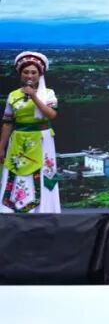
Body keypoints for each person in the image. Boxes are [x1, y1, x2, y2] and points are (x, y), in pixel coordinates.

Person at [0, 51, 60, 213]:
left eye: (34, 72)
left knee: (43, 173)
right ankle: (13, 209)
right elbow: (7, 123)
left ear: (40, 75)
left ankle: (43, 211)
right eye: (26, 72)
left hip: (42, 139)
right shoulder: (13, 96)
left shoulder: (48, 93)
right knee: (17, 172)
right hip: (19, 140)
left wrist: (34, 96)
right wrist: (1, 147)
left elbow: (51, 114)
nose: (30, 76)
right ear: (20, 74)